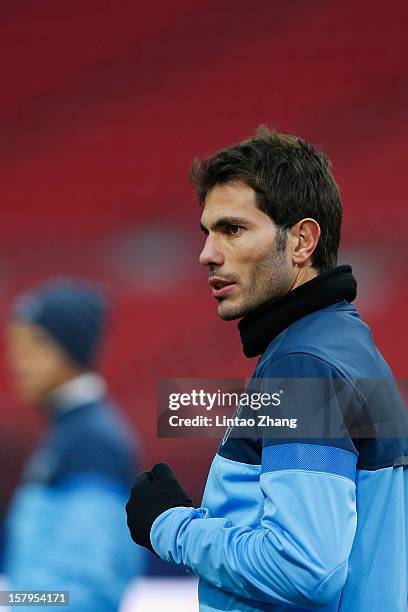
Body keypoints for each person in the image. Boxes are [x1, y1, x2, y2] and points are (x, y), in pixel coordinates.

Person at [126, 128, 408, 611]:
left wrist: (170, 525)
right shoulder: (340, 345)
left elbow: (303, 568)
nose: (207, 254)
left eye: (232, 229)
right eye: (206, 232)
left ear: (302, 241)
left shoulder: (304, 366)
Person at [4, 278, 145, 611]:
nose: (17, 360)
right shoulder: (71, 434)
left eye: (34, 345)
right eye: (15, 345)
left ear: (69, 348)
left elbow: (85, 589)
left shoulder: (92, 443)